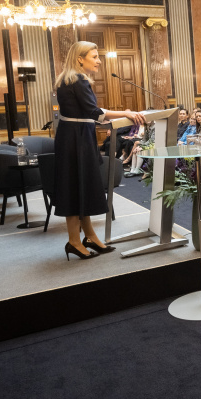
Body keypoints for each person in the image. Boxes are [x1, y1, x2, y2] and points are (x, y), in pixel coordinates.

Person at [53, 41, 145, 260]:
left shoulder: (69, 78)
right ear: (80, 59)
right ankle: (75, 241)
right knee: (75, 188)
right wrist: (126, 113)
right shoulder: (78, 79)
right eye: (94, 56)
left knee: (81, 186)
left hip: (75, 136)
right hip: (76, 138)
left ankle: (90, 236)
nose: (98, 60)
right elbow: (93, 111)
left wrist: (122, 113)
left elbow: (88, 111)